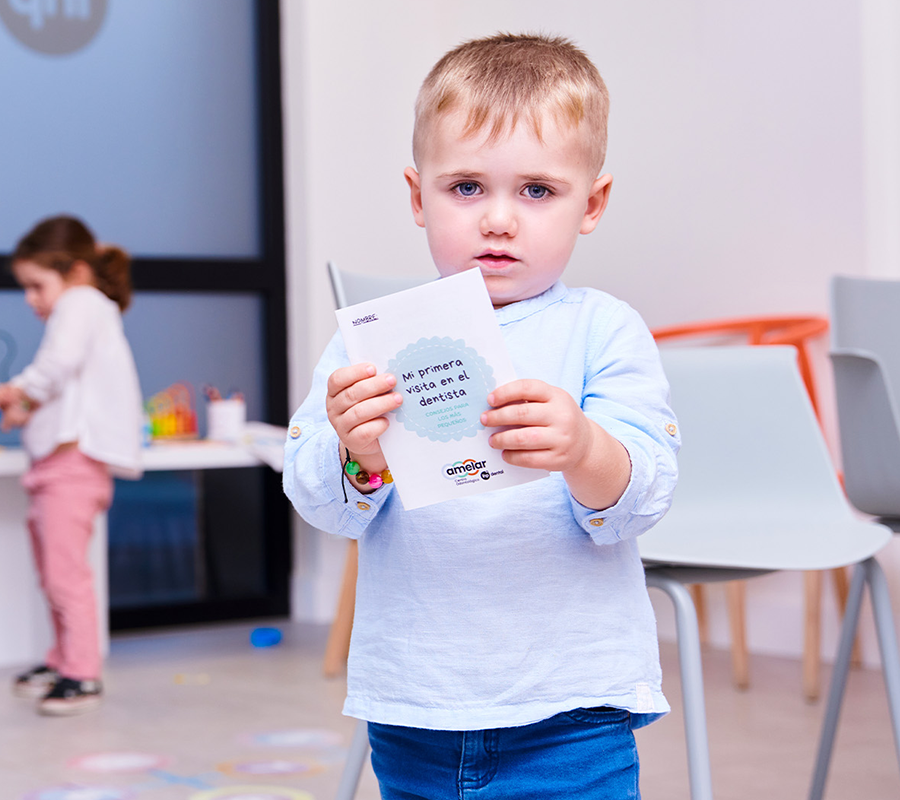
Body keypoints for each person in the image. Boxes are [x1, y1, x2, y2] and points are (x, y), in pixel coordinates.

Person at [283, 33, 680, 799]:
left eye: (537, 190)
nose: (499, 219)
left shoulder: (604, 328)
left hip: (575, 708)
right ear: (416, 195)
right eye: (466, 187)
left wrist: (584, 448)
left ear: (590, 203)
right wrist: (357, 448)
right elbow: (325, 506)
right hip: (415, 703)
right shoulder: (365, 344)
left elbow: (642, 499)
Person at [0, 215, 143, 716]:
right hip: (54, 469)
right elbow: (62, 384)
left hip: (72, 470)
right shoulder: (82, 310)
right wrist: (23, 406)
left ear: (76, 271)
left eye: (37, 285)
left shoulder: (81, 303)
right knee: (53, 573)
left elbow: (54, 367)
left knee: (65, 576)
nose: (31, 299)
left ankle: (81, 674)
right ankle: (62, 659)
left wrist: (15, 391)